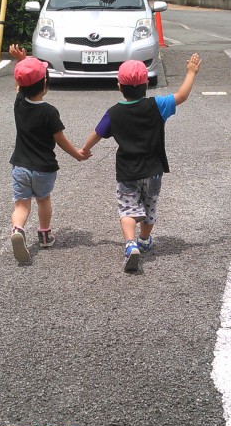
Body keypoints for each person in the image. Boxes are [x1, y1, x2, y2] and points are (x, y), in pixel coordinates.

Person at [80, 54, 201, 272]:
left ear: (119, 87)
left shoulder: (113, 113)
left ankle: (130, 244)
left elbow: (97, 133)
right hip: (153, 171)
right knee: (149, 207)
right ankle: (144, 240)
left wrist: (85, 149)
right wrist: (191, 72)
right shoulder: (157, 105)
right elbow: (181, 95)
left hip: (127, 172)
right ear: (146, 85)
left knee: (128, 210)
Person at [7, 44, 88, 263]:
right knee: (43, 200)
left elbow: (20, 83)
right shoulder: (49, 112)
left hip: (20, 166)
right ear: (45, 83)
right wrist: (78, 154)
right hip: (44, 168)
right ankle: (44, 235)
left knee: (21, 204)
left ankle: (18, 229)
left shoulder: (19, 103)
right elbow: (60, 140)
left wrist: (21, 62)